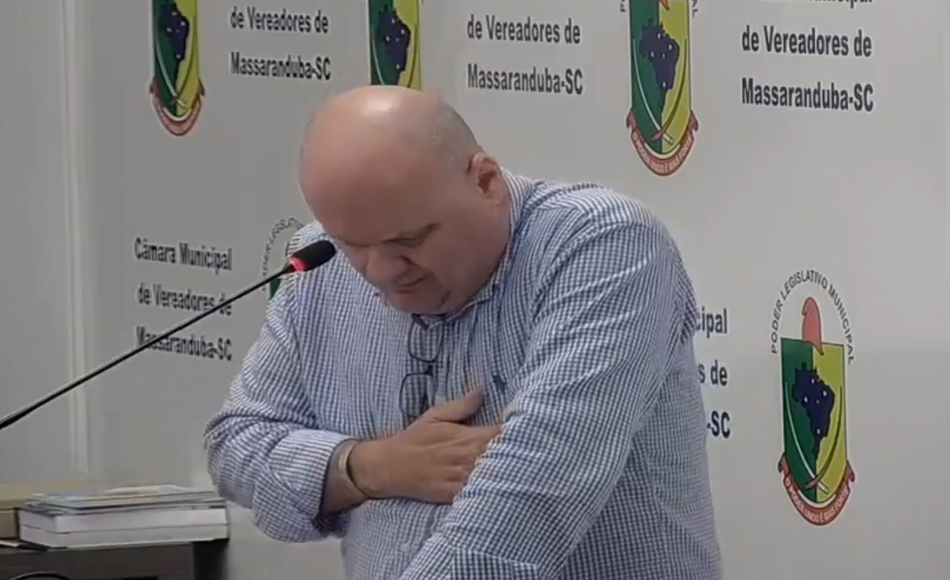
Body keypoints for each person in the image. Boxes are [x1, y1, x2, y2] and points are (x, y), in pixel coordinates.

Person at [204, 85, 721, 580]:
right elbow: (236, 445)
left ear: (485, 181)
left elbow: (532, 491)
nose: (380, 271)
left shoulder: (603, 245)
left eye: (409, 240)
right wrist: (372, 466)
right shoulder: (319, 263)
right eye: (351, 244)